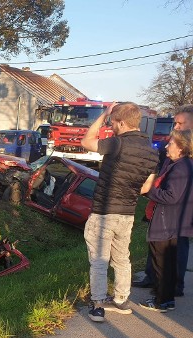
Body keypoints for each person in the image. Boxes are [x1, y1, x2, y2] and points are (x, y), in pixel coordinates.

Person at [80, 102, 158, 322]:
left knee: (99, 259)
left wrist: (104, 114)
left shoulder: (117, 144)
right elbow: (145, 188)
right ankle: (122, 300)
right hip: (127, 214)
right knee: (122, 258)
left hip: (104, 212)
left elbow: (86, 142)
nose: (111, 126)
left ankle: (98, 305)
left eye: (113, 122)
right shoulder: (152, 153)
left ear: (121, 122)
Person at [133, 104, 193, 296]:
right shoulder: (177, 142)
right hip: (164, 208)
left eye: (180, 123)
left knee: (177, 248)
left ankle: (174, 286)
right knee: (158, 241)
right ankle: (154, 278)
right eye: (175, 122)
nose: (175, 126)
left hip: (180, 212)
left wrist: (150, 191)